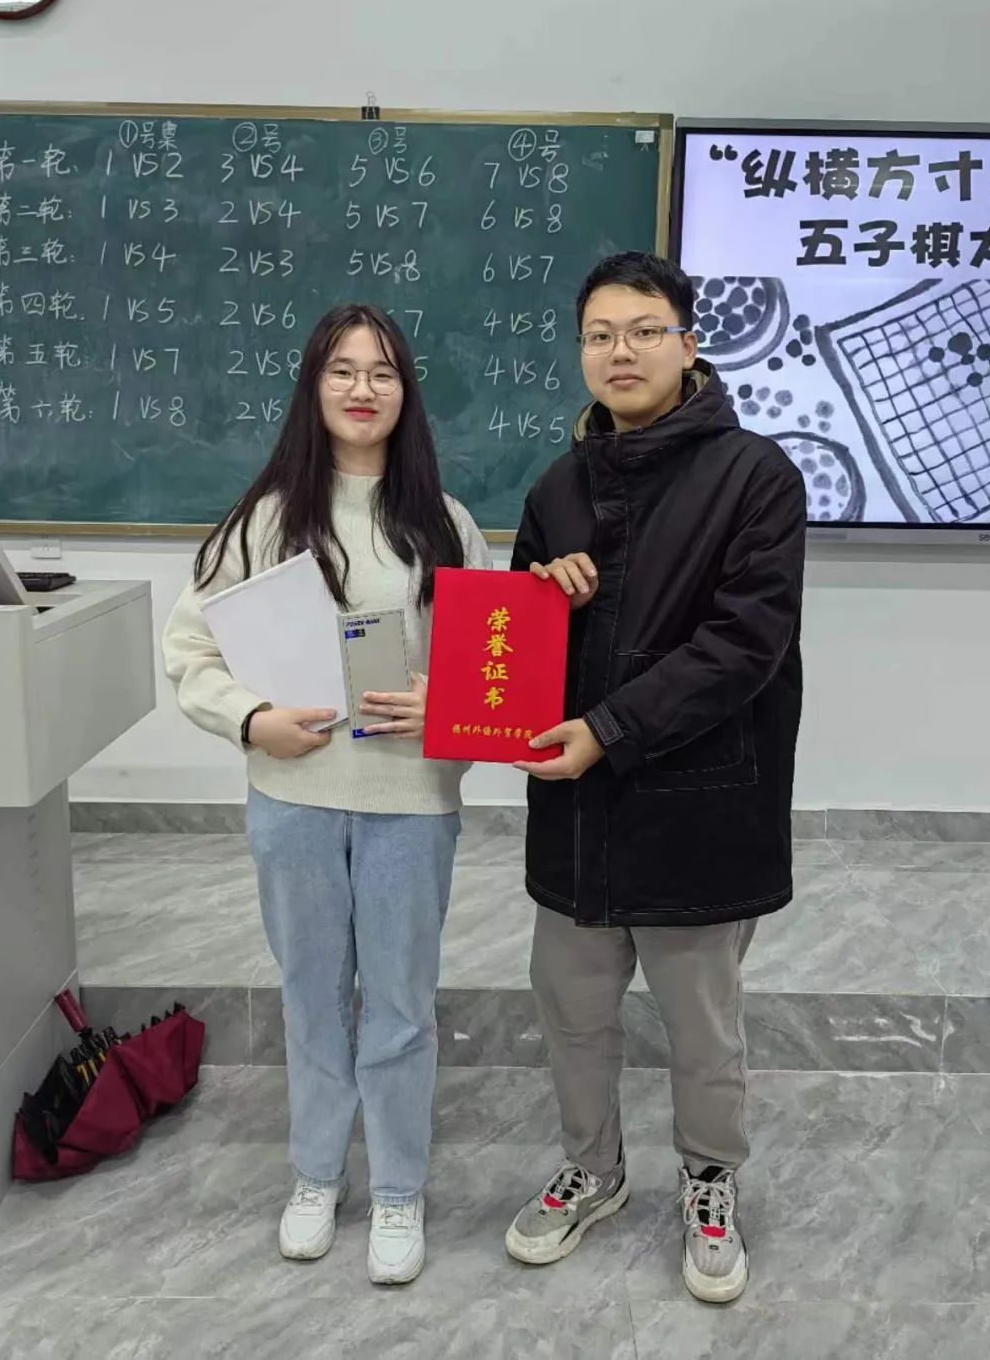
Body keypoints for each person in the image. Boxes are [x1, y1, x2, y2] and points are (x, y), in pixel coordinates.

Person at [163, 303, 489, 1286]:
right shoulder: (264, 518)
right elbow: (190, 650)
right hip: (295, 795)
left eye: (382, 372)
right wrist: (251, 717)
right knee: (311, 992)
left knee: (399, 1001)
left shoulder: (445, 523)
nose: (362, 388)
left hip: (410, 798)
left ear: (406, 393)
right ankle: (315, 1173)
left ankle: (397, 1184)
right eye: (342, 369)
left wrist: (445, 701)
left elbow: (490, 675)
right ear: (313, 385)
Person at [503, 253, 806, 1303]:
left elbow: (745, 644)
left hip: (701, 807)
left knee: (701, 1024)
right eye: (599, 334)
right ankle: (593, 1168)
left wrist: (611, 726)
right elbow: (516, 647)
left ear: (688, 343)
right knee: (571, 1007)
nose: (619, 351)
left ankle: (710, 1177)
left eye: (643, 330)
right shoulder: (556, 486)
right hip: (577, 809)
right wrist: (542, 593)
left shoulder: (755, 475)